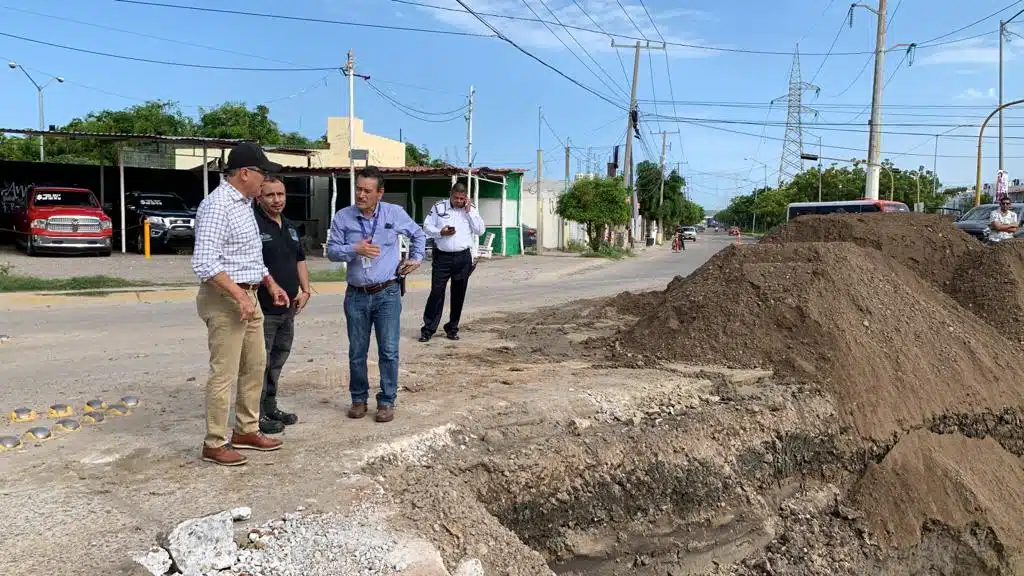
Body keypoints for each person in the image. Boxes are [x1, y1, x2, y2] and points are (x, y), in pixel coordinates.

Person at [191, 142, 289, 467]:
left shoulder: (245, 204)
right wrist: (237, 296)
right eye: (262, 172)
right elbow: (205, 262)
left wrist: (270, 284)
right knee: (224, 373)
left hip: (250, 296)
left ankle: (246, 429)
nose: (265, 181)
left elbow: (248, 256)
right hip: (225, 299)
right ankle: (215, 442)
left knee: (255, 365)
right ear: (245, 172)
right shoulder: (217, 205)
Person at [327, 166, 426, 423]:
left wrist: (415, 258)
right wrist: (354, 248)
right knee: (357, 351)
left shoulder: (394, 213)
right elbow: (332, 251)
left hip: (387, 293)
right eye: (358, 189)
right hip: (356, 295)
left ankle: (386, 401)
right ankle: (358, 399)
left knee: (389, 350)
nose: (360, 195)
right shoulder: (343, 217)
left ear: (379, 193)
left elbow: (417, 233)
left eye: (367, 191)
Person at [253, 177, 310, 435]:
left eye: (281, 194)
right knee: (258, 364)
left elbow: (300, 259)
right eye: (270, 195)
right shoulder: (253, 224)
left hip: (288, 309)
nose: (277, 200)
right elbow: (253, 263)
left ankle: (271, 406)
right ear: (259, 197)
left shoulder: (289, 226)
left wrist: (306, 290)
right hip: (263, 308)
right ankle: (254, 416)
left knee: (277, 361)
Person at [419, 182, 485, 342]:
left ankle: (452, 328)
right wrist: (440, 232)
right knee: (436, 292)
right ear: (451, 194)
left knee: (458, 294)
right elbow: (427, 227)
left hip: (463, 257)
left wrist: (469, 213)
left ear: (466, 197)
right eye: (456, 198)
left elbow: (480, 230)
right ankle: (428, 329)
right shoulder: (439, 207)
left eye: (462, 199)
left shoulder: (471, 209)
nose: (459, 201)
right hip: (442, 257)